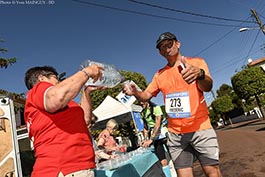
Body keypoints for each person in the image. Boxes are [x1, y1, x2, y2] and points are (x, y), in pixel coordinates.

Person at [123, 32, 223, 177]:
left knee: (213, 173)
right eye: (162, 47)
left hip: (201, 128)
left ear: (177, 43)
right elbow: (145, 96)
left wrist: (200, 74)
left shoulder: (196, 62)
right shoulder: (159, 75)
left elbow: (208, 87)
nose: (166, 49)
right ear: (160, 52)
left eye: (169, 44)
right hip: (176, 134)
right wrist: (135, 92)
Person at [24, 64, 103, 177]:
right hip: (62, 168)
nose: (59, 81)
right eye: (56, 77)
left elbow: (85, 120)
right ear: (42, 78)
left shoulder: (56, 104)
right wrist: (87, 71)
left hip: (72, 167)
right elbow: (57, 97)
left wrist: (87, 92)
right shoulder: (39, 90)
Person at [140, 101, 172, 177]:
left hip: (164, 134)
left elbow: (157, 125)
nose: (141, 103)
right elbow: (145, 128)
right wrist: (145, 139)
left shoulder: (156, 108)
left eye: (142, 101)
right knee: (163, 161)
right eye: (139, 102)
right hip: (156, 138)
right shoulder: (142, 113)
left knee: (174, 157)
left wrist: (151, 139)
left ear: (146, 100)